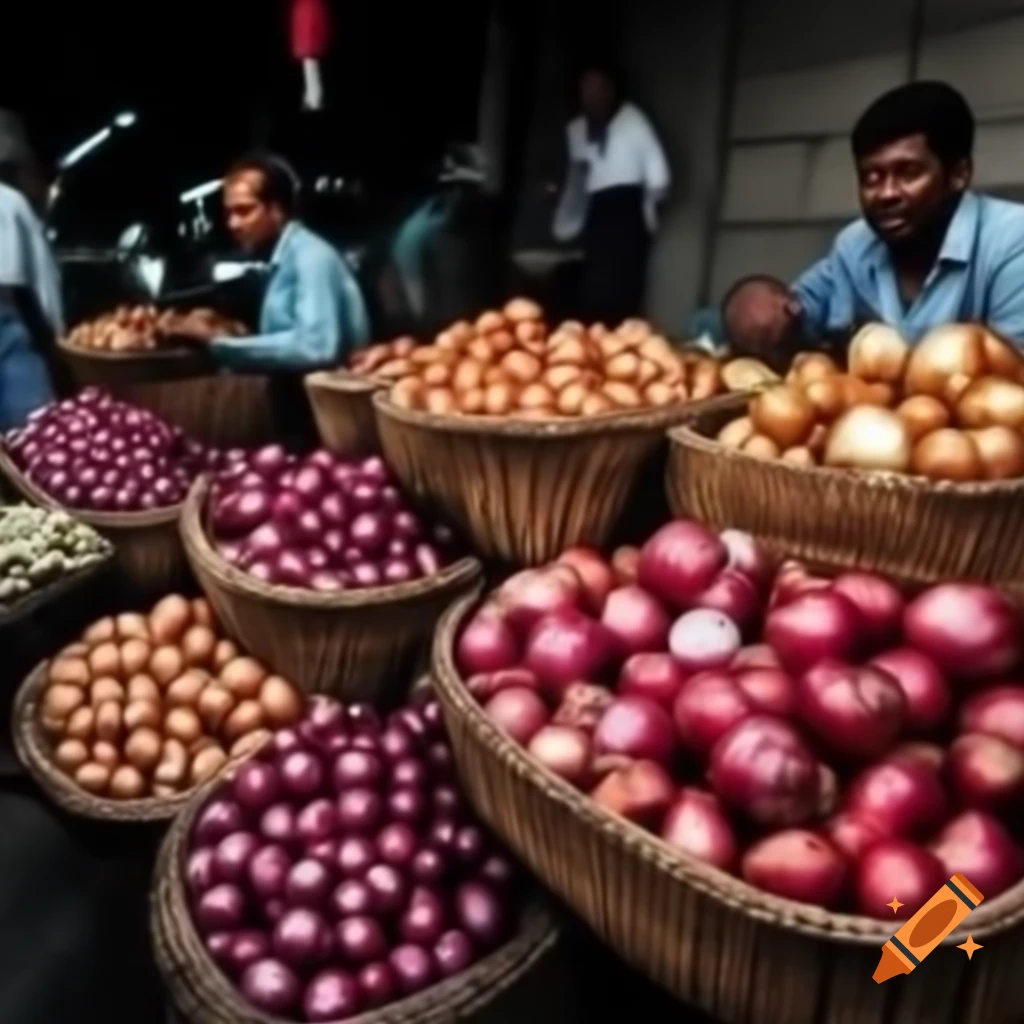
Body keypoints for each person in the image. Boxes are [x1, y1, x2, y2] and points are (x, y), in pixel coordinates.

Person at [721, 81, 1024, 357]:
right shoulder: (855, 246)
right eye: (871, 177)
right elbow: (794, 310)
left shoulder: (1012, 241)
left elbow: (1012, 377)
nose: (886, 194)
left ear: (959, 174)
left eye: (908, 173)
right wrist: (764, 317)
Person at [205, 153, 370, 371]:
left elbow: (316, 347)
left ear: (277, 211)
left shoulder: (311, 257)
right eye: (228, 214)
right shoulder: (283, 259)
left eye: (244, 211)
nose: (233, 224)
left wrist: (219, 344)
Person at [553, 64, 670, 326]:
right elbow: (576, 181)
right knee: (592, 289)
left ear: (612, 90)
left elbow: (660, 178)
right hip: (596, 213)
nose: (593, 97)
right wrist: (567, 221)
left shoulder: (633, 120)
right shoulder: (577, 129)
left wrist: (648, 208)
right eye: (587, 90)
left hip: (627, 210)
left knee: (622, 290)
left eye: (600, 89)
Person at [0, 112, 60, 430]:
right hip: (6, 323)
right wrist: (60, 341)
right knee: (35, 433)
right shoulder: (11, 203)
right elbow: (44, 285)